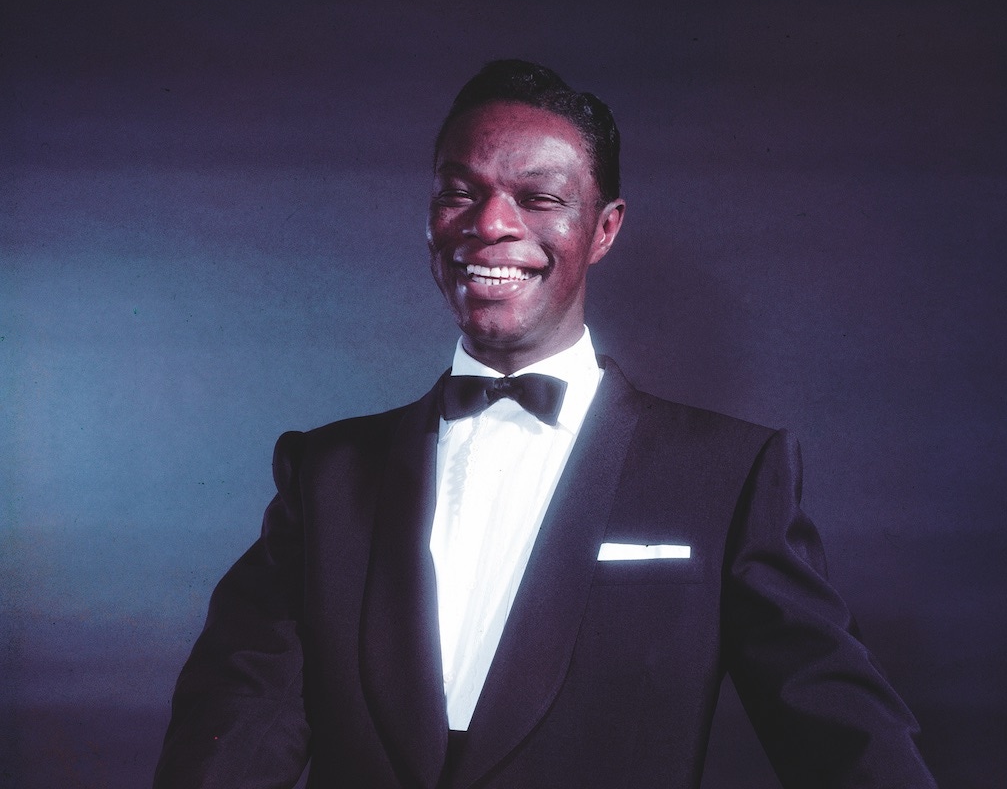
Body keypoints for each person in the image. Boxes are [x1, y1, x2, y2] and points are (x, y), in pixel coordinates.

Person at [155, 59, 936, 789]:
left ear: (603, 229)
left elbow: (852, 744)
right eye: (460, 192)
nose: (491, 223)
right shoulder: (323, 474)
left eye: (539, 198)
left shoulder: (728, 476)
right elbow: (233, 735)